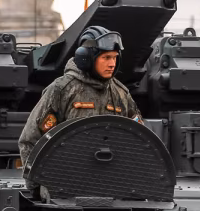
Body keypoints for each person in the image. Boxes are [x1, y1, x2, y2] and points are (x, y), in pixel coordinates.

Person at [18, 26, 141, 164]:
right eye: (106, 57)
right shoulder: (62, 89)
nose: (112, 64)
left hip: (108, 179)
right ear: (86, 58)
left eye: (114, 58)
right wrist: (37, 183)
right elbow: (30, 140)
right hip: (67, 177)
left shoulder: (121, 93)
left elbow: (140, 139)